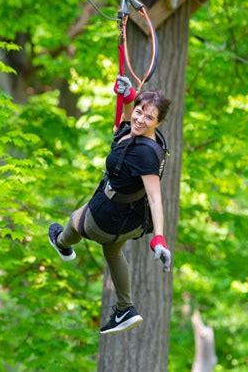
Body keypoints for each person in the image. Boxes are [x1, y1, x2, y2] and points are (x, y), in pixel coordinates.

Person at [48, 75, 172, 335]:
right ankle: (126, 308)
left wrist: (160, 238)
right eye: (139, 112)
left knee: (75, 221)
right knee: (113, 253)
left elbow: (155, 197)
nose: (140, 119)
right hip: (129, 220)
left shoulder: (147, 153)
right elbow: (125, 122)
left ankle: (62, 243)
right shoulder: (136, 131)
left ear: (159, 123)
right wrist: (127, 98)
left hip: (108, 216)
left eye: (149, 118)